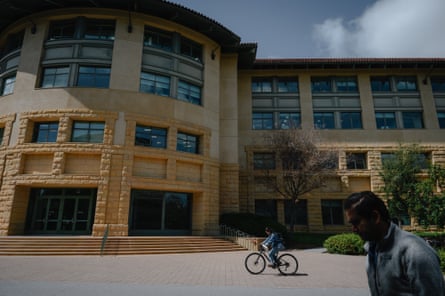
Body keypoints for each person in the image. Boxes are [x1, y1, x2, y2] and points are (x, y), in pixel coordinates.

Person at [344, 191, 445, 296]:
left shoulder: (416, 252)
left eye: (356, 222)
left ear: (375, 217)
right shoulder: (372, 248)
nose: (354, 229)